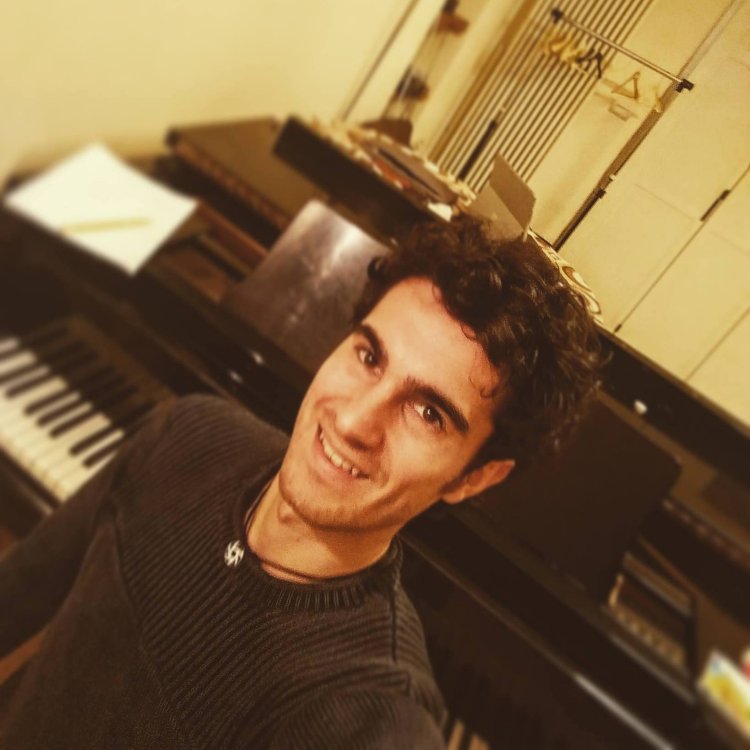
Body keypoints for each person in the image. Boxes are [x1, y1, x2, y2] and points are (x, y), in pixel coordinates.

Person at [0, 215, 603, 748]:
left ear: (474, 478)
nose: (355, 421)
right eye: (369, 356)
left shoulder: (370, 718)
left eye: (428, 413)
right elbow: (19, 590)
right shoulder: (187, 431)